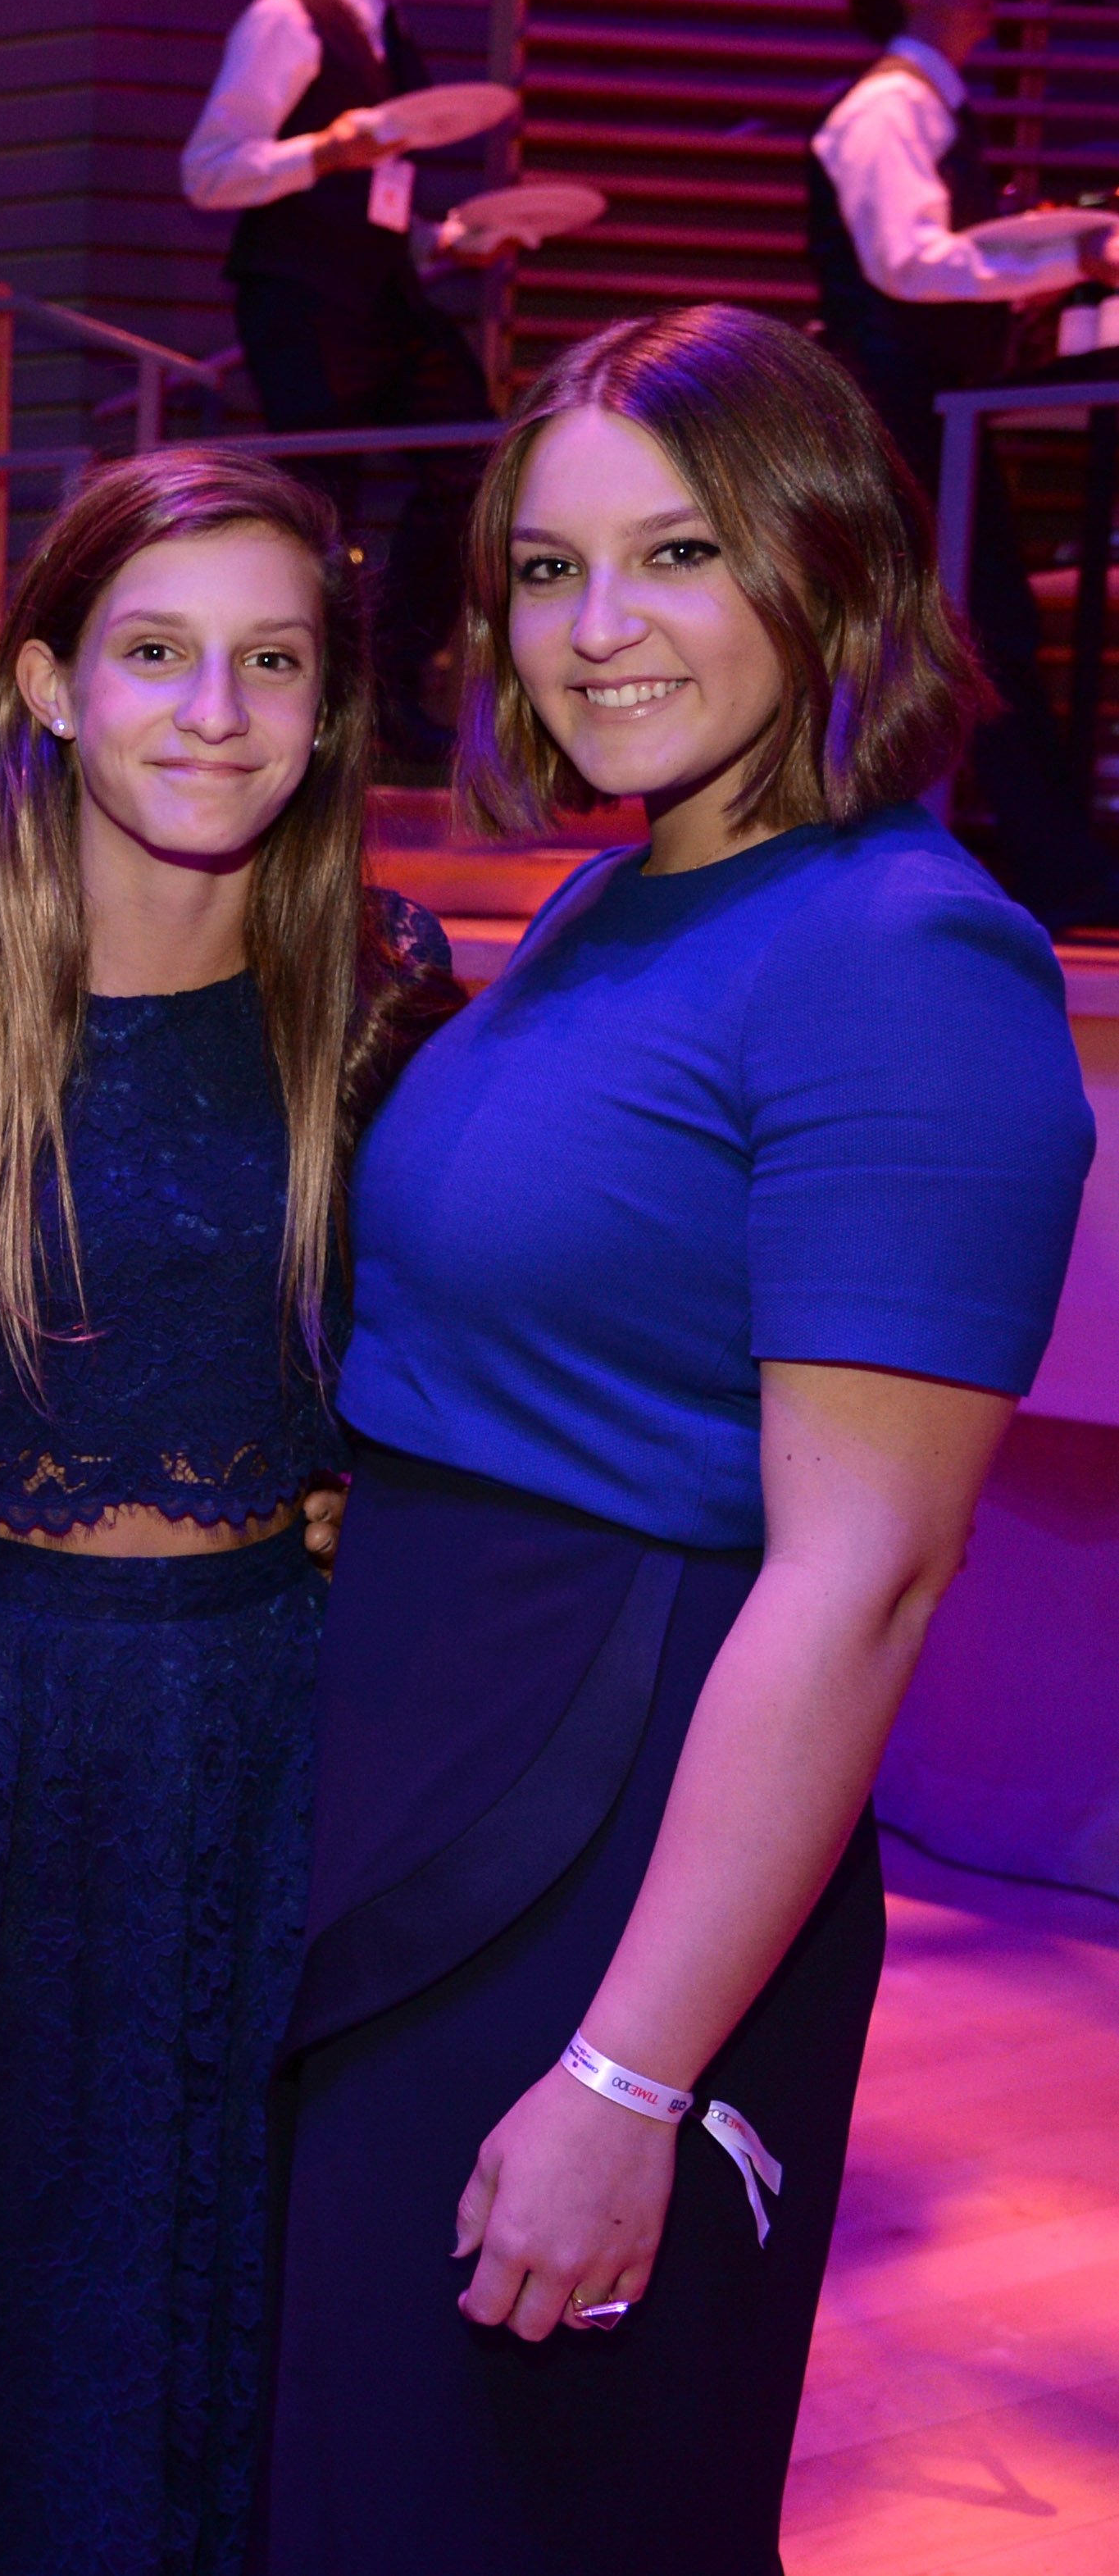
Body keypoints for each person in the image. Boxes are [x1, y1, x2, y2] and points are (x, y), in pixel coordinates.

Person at [270, 303, 1096, 2567]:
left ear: (824, 566)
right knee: (348, 2468)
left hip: (606, 1832)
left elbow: (864, 1573)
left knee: (503, 2498)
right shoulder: (618, 896)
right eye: (547, 569)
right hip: (429, 1757)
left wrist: (632, 2072)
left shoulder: (905, 957)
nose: (598, 628)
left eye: (676, 554)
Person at [0, 450, 455, 2575]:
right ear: (50, 679)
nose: (218, 709)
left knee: (227, 2289)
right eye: (157, 651)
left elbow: (476, 1361)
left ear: (331, 705)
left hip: (273, 1727)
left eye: (274, 660)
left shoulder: (385, 981)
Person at [810, 0, 1119, 931]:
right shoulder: (884, 110)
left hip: (927, 405)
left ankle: (1043, 865)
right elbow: (905, 263)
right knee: (967, 636)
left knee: (971, 635)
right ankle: (1051, 873)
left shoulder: (924, 109)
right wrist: (1066, 253)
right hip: (900, 410)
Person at [181, 0, 503, 765]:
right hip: (300, 294)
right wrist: (323, 152)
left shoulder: (386, 26)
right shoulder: (287, 18)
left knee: (472, 465)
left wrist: (443, 241)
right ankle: (317, 714)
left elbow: (370, 198)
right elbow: (209, 170)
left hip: (380, 292)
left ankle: (387, 681)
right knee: (322, 503)